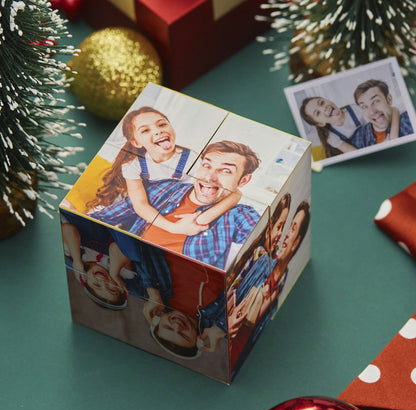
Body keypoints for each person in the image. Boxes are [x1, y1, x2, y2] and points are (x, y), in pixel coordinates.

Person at [91, 140, 261, 270]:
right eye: (206, 165)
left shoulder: (238, 215)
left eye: (226, 171)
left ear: (243, 180)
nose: (209, 177)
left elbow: (265, 242)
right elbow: (100, 218)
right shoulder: (163, 189)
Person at [87, 107, 241, 236]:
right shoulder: (133, 164)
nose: (158, 131)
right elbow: (139, 204)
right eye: (146, 130)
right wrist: (173, 228)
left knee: (138, 233)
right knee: (106, 217)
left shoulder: (191, 159)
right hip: (141, 206)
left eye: (162, 125)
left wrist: (200, 219)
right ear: (136, 142)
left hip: (164, 208)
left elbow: (230, 192)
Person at [228, 200, 311, 373]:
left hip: (240, 362)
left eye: (292, 228)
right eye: (286, 227)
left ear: (296, 243)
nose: (285, 234)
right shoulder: (259, 257)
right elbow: (229, 290)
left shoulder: (281, 283)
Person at [61, 212, 130, 309]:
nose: (102, 281)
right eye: (112, 289)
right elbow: (118, 248)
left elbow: (67, 229)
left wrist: (76, 259)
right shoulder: (120, 269)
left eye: (96, 284)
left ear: (86, 280)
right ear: (120, 286)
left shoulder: (78, 257)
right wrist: (114, 273)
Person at [349, 79, 412, 148]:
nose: (372, 112)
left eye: (376, 101)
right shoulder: (359, 138)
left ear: (389, 99)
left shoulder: (409, 121)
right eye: (364, 106)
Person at [300, 97, 364, 157]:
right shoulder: (331, 136)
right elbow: (354, 152)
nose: (323, 108)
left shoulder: (355, 109)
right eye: (318, 113)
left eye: (322, 103)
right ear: (321, 123)